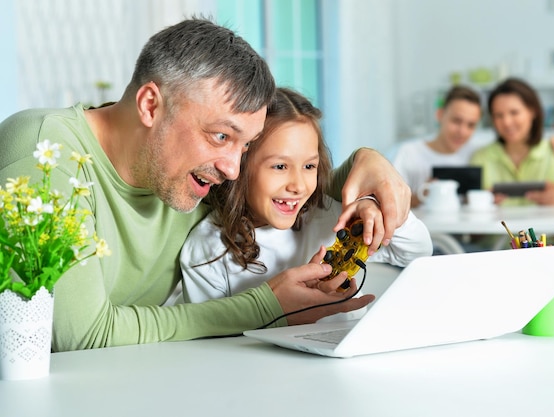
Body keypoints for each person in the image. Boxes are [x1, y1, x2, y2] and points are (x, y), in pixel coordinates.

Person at [0, 17, 412, 352]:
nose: (233, 168)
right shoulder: (43, 152)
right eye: (221, 136)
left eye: (246, 145)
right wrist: (265, 307)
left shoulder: (195, 167)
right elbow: (83, 335)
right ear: (150, 105)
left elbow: (283, 183)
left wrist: (367, 163)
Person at [180, 88, 433, 313]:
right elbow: (211, 339)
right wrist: (289, 315)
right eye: (280, 166)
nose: (298, 186)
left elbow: (417, 250)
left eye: (309, 166)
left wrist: (373, 206)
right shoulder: (207, 247)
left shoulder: (330, 218)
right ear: (240, 166)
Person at [469, 77, 554, 206]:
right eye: (498, 115)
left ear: (532, 111)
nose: (506, 122)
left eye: (514, 112)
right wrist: (482, 203)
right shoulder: (480, 158)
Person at [391, 85, 482, 207]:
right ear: (440, 115)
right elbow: (391, 201)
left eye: (470, 125)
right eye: (456, 121)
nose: (462, 131)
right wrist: (420, 196)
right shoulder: (409, 153)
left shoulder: (476, 154)